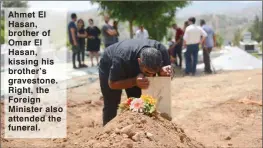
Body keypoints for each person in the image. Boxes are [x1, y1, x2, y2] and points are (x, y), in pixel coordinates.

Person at [99, 39, 172, 126]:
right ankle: (108, 133)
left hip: (132, 66)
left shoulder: (162, 51)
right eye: (147, 73)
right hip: (109, 62)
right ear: (139, 61)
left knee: (139, 102)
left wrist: (166, 73)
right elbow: (112, 84)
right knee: (111, 102)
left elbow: (169, 76)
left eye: (154, 74)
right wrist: (134, 81)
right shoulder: (122, 58)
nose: (151, 77)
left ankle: (139, 129)